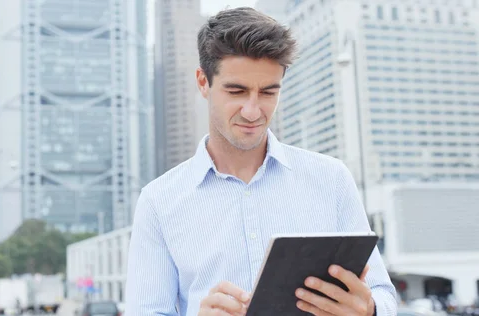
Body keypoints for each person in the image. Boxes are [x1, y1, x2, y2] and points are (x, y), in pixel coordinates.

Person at [125, 6, 397, 316]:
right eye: (237, 91)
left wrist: (369, 309)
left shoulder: (331, 179)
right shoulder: (159, 202)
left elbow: (382, 293)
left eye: (268, 92)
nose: (253, 111)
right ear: (203, 82)